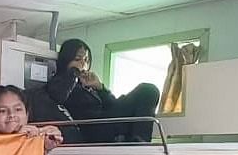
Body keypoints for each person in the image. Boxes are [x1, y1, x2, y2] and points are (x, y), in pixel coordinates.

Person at [26, 39, 158, 144]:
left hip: (104, 122)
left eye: (86, 60)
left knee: (147, 91)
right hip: (92, 129)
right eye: (78, 59)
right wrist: (74, 73)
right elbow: (58, 96)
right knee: (147, 90)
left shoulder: (86, 86)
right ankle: (139, 141)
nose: (83, 63)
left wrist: (100, 88)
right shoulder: (59, 82)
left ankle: (138, 140)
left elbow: (112, 105)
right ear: (66, 61)